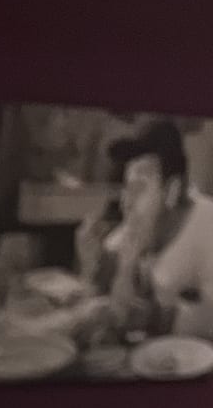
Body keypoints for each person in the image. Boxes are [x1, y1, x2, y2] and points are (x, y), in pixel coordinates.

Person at [84, 119, 213, 339]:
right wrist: (93, 263)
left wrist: (154, 317)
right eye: (126, 189)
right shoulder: (136, 223)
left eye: (138, 188)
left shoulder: (208, 223)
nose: (126, 202)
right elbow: (105, 289)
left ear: (172, 190)